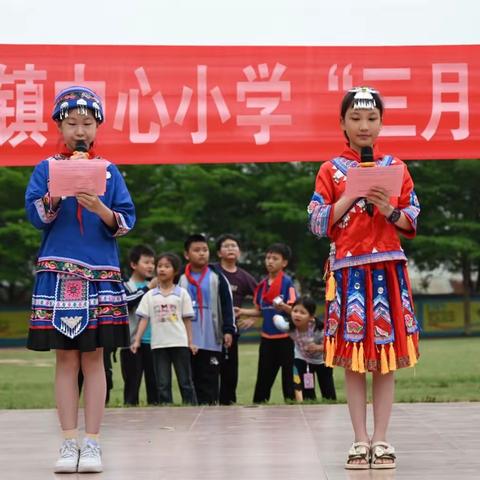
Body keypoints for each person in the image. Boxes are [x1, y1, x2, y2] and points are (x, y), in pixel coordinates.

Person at [307, 86, 420, 470]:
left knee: (385, 358)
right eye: (355, 118)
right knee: (354, 360)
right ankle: (359, 440)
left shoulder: (397, 168)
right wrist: (351, 195)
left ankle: (383, 439)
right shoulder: (330, 170)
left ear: (382, 123)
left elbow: (411, 220)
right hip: (349, 272)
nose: (364, 126)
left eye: (371, 118)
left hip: (387, 271)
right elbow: (318, 221)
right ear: (341, 123)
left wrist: (387, 207)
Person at [25, 86, 135, 473]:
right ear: (60, 126)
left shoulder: (108, 170)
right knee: (65, 359)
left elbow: (125, 220)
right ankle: (67, 440)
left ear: (97, 127)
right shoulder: (46, 169)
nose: (79, 131)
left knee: (95, 358)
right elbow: (36, 216)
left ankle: (93, 443)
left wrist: (100, 206)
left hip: (100, 273)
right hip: (57, 274)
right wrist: (56, 196)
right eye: (71, 123)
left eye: (87, 123)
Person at [131, 252, 197, 405]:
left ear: (175, 271)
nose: (162, 269)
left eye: (167, 266)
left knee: (185, 381)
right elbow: (144, 319)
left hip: (179, 343)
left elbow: (187, 320)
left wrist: (190, 342)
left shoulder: (182, 293)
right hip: (159, 344)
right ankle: (165, 410)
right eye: (159, 266)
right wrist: (137, 340)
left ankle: (191, 408)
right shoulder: (150, 295)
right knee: (162, 384)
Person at [235, 243, 297, 403]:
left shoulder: (288, 283)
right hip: (267, 337)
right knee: (263, 376)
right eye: (268, 258)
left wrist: (283, 306)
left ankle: (292, 406)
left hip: (286, 337)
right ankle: (259, 405)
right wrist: (243, 312)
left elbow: (296, 311)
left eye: (275, 258)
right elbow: (261, 310)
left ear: (284, 263)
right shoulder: (261, 286)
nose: (270, 261)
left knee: (288, 377)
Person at [178, 234, 235, 405]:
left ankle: (210, 406)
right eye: (196, 250)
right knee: (190, 376)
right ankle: (191, 408)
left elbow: (227, 303)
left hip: (211, 335)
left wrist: (228, 330)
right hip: (186, 337)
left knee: (209, 376)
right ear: (187, 254)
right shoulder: (179, 277)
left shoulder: (217, 276)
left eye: (205, 250)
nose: (202, 254)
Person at [215, 233, 257, 405]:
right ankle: (206, 402)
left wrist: (252, 317)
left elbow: (263, 301)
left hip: (231, 330)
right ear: (219, 253)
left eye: (234, 246)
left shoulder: (245, 277)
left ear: (239, 252)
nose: (231, 249)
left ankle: (228, 403)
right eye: (226, 246)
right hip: (210, 328)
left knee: (230, 370)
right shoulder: (213, 271)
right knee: (209, 369)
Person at [273, 297, 336, 402]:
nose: (297, 315)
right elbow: (276, 318)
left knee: (328, 391)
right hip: (303, 359)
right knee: (308, 391)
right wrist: (277, 312)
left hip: (322, 361)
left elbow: (332, 346)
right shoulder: (288, 327)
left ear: (311, 317)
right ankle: (309, 403)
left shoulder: (319, 329)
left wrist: (318, 347)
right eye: (295, 311)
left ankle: (330, 404)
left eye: (302, 313)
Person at [120, 245, 159, 406]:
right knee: (132, 385)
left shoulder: (157, 287)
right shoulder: (125, 286)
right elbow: (126, 303)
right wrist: (147, 288)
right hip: (131, 342)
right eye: (146, 262)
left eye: (152, 263)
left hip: (154, 342)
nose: (151, 266)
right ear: (133, 265)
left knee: (155, 385)